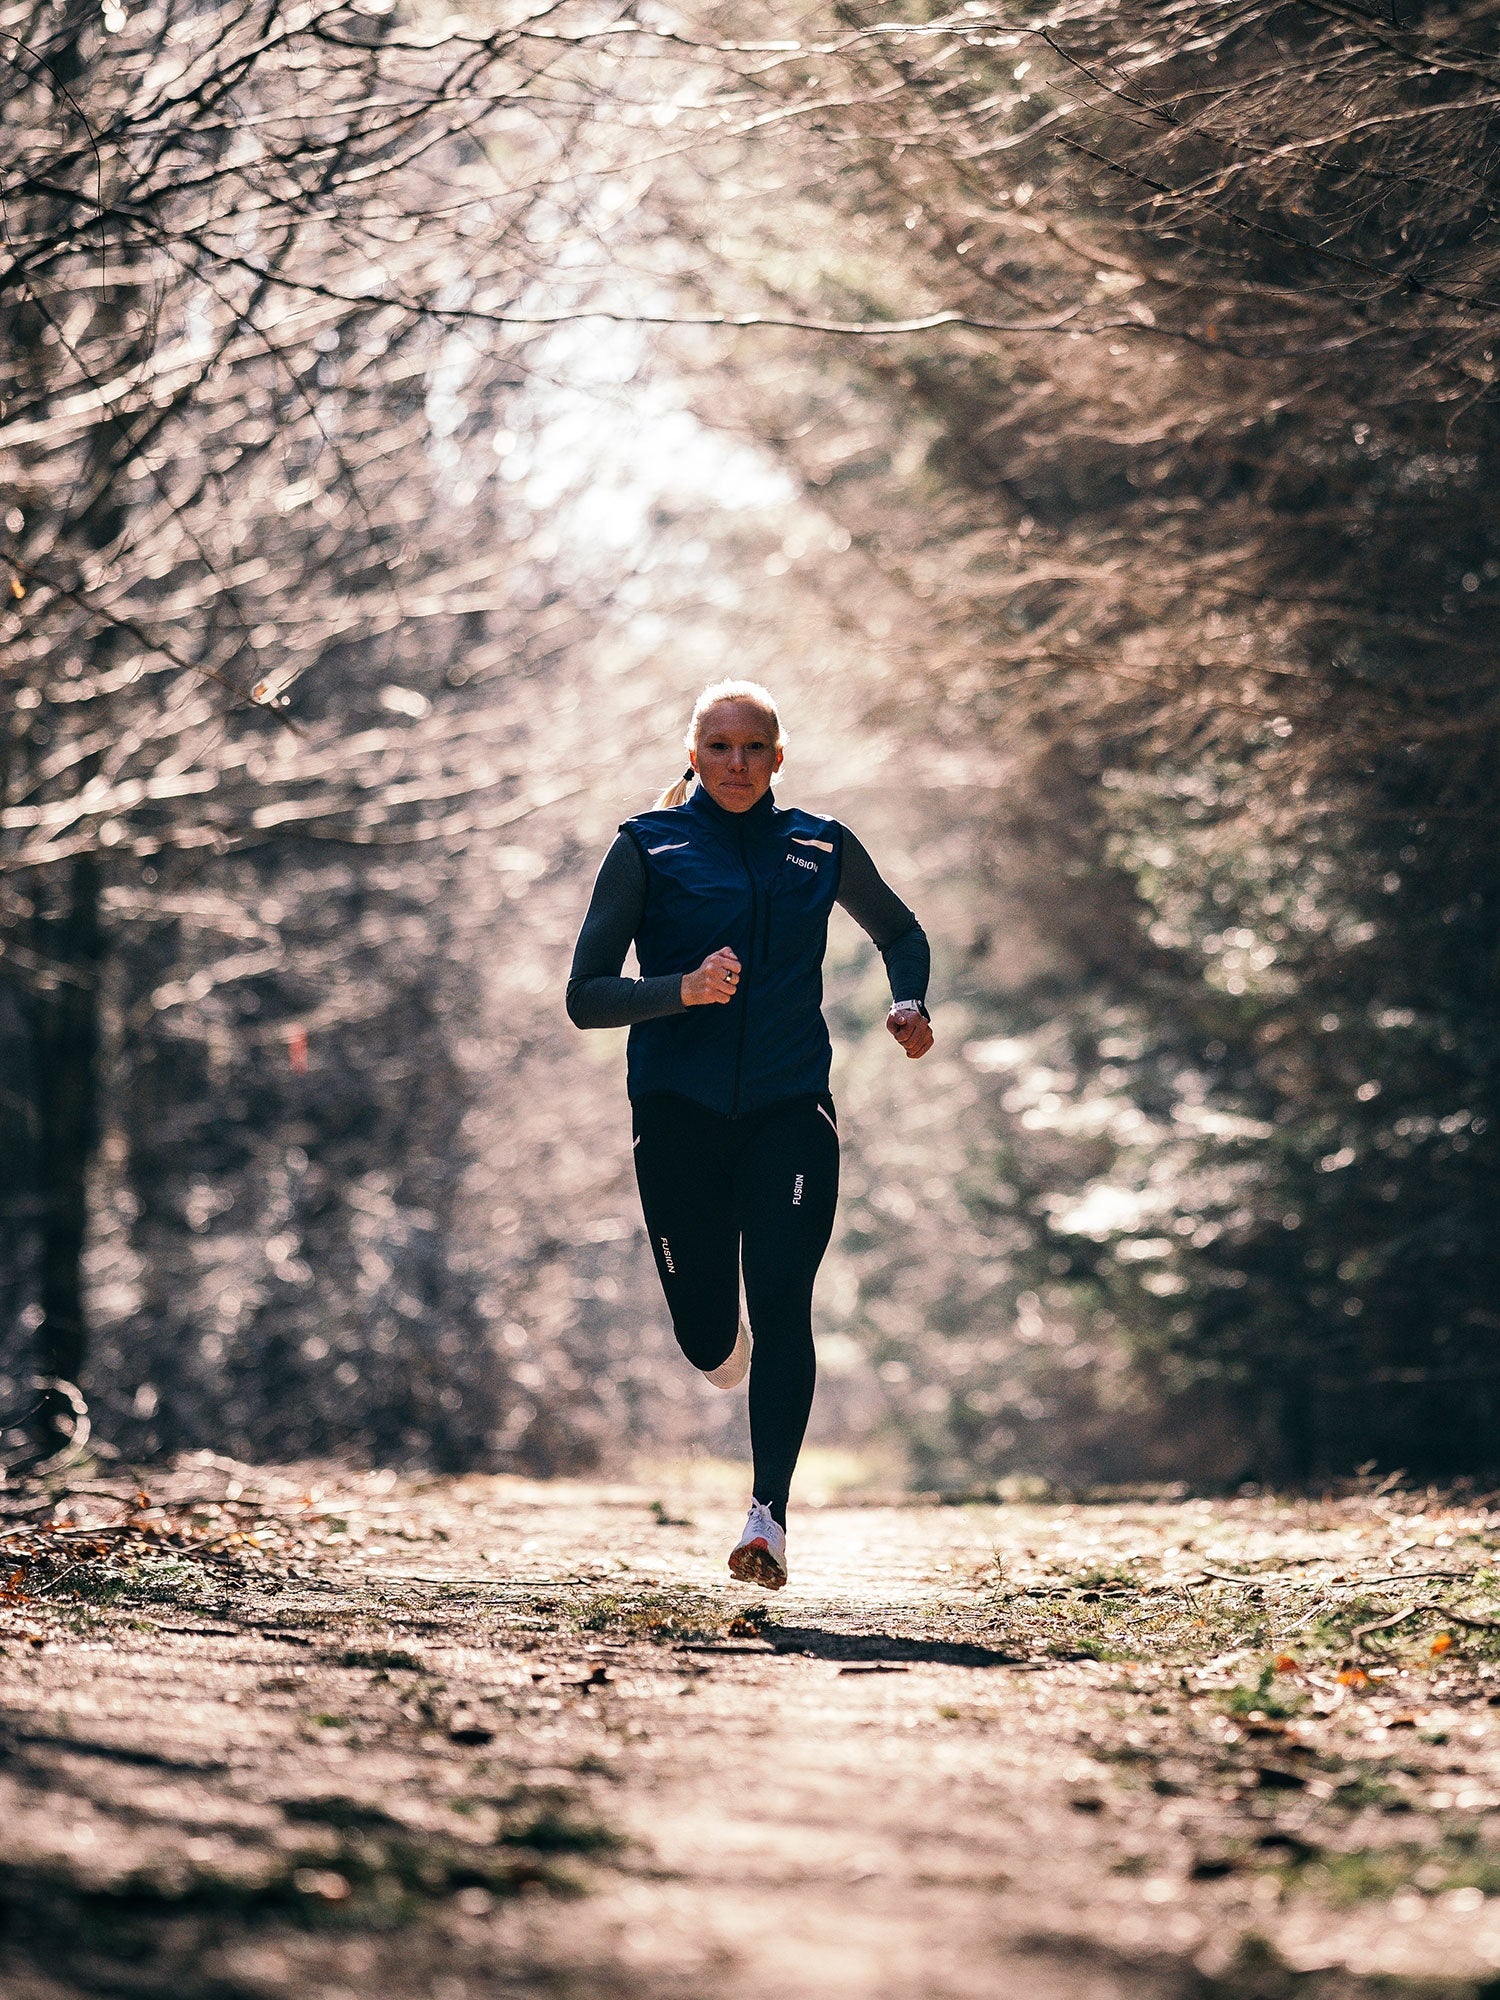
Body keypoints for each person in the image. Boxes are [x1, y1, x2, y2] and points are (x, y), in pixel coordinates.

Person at [566, 680, 933, 1589]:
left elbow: (901, 930)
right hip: (677, 1113)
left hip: (789, 1109)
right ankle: (711, 1339)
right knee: (707, 1334)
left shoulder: (818, 844)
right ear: (692, 755)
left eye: (754, 748)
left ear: (778, 757)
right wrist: (679, 990)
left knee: (783, 1303)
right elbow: (585, 997)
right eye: (719, 748)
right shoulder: (646, 848)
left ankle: (767, 1516)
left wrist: (910, 1001)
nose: (737, 764)